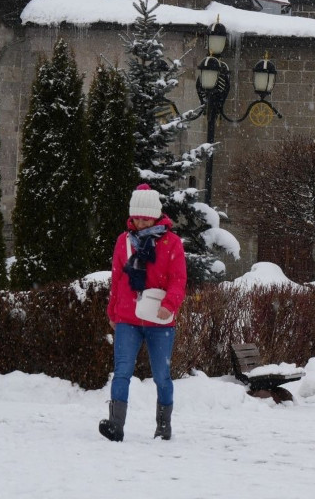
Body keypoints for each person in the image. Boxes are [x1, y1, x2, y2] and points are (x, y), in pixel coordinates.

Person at [98, 184, 187, 442]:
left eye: (145, 218)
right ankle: (116, 425)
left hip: (159, 320)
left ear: (156, 216)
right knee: (122, 371)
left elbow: (178, 279)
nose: (140, 223)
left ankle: (163, 426)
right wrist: (112, 312)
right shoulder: (124, 241)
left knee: (161, 376)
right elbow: (117, 279)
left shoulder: (171, 243)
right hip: (127, 318)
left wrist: (169, 304)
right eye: (136, 218)